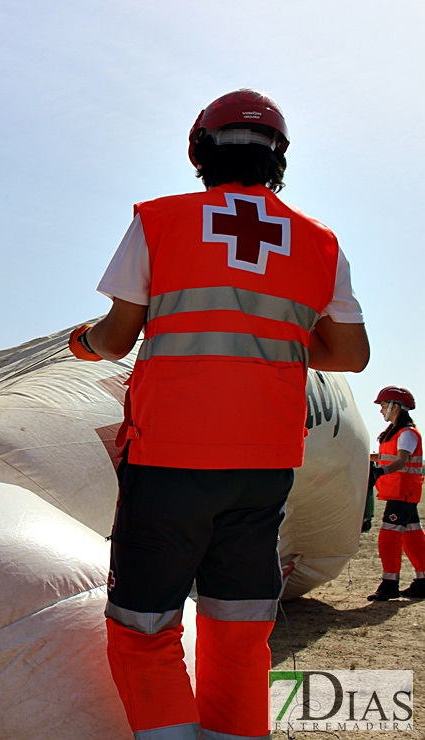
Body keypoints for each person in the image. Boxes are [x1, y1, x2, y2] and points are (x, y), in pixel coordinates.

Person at [69, 88, 370, 740]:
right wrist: (284, 336)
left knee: (142, 628)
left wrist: (80, 341)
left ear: (199, 152)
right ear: (278, 160)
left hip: (169, 459)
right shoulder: (320, 245)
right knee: (238, 628)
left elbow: (116, 339)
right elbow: (350, 356)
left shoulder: (160, 221)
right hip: (264, 467)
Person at [367, 386, 425, 600]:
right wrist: (362, 455)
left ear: (395, 406)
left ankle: (389, 585)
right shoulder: (394, 433)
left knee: (389, 537)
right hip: (399, 492)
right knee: (413, 536)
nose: (381, 410)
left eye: (383, 406)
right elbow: (385, 457)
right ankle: (423, 581)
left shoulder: (407, 433)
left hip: (403, 493)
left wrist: (380, 471)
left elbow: (400, 461)